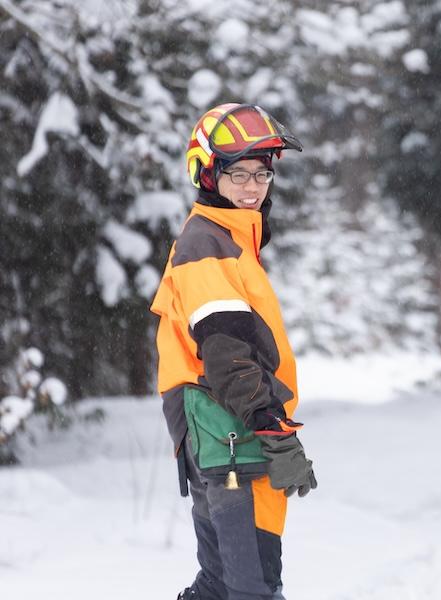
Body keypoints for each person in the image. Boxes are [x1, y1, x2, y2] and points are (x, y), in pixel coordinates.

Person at [150, 103, 317, 600]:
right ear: (207, 174)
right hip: (230, 437)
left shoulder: (224, 239)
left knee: (221, 584)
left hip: (223, 435)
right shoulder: (208, 245)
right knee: (251, 588)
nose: (252, 187)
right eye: (238, 173)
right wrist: (273, 429)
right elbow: (226, 354)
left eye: (261, 174)